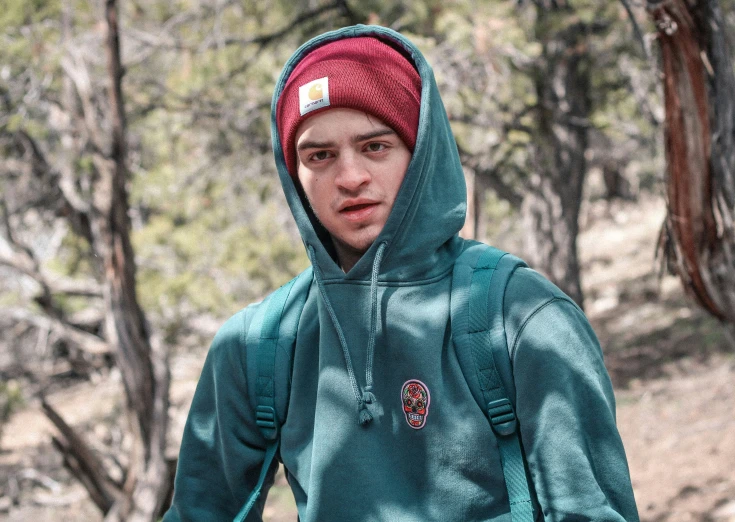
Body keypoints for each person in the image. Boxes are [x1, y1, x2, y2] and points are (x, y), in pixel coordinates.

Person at [163, 25, 639, 522]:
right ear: (294, 173)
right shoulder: (257, 347)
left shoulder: (522, 319)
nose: (349, 177)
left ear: (419, 151)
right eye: (319, 155)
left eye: (375, 146)